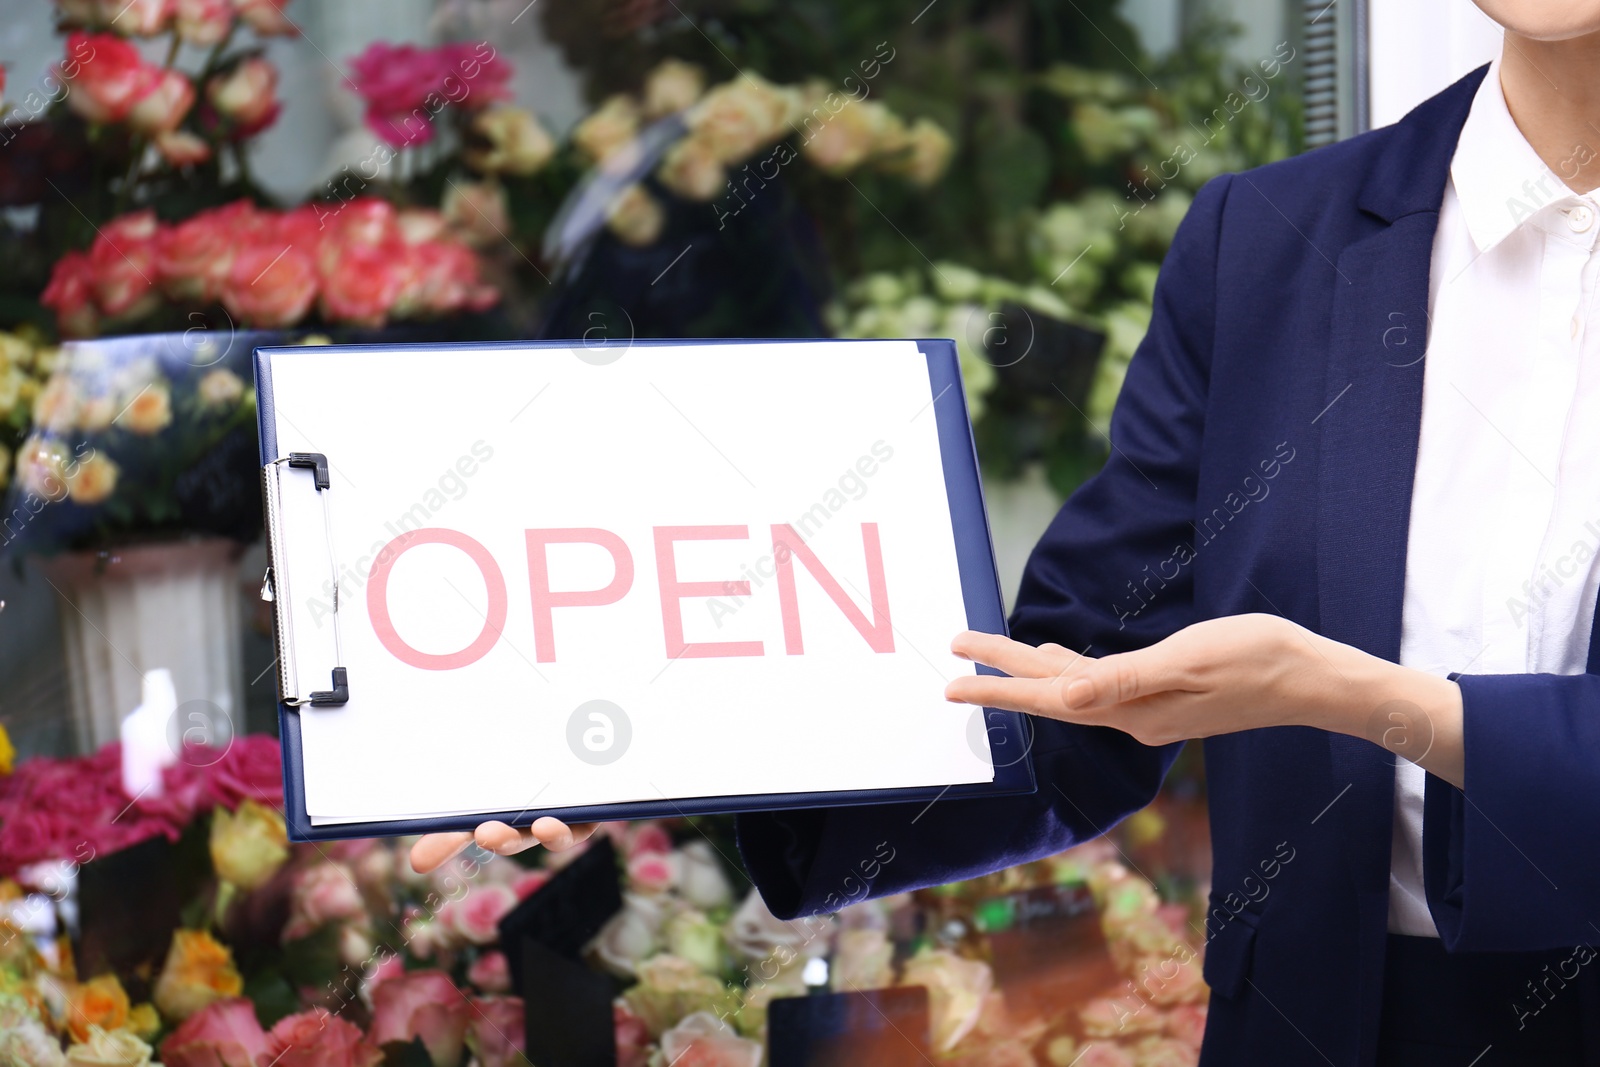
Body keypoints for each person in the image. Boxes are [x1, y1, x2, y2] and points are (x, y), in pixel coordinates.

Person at [414, 3, 1600, 1061]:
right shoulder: (1270, 236)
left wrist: (1365, 698)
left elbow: (1336, 694)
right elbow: (1069, 697)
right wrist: (630, 730)